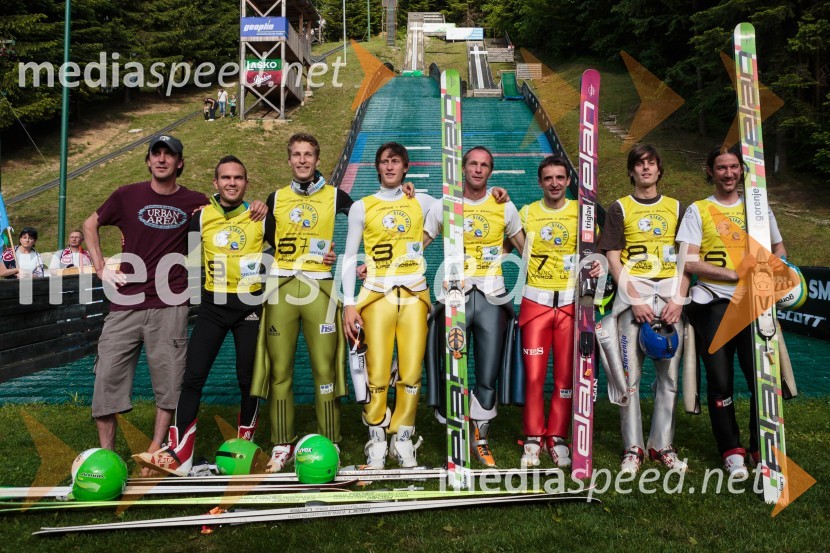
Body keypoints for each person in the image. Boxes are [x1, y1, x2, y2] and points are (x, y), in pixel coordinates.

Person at [83, 135, 265, 462]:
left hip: (171, 303)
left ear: (180, 162)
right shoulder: (126, 195)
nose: (163, 159)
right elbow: (89, 224)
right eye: (157, 154)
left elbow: (229, 210)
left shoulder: (196, 204)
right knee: (106, 377)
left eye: (170, 155)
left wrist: (259, 205)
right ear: (149, 160)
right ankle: (105, 455)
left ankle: (157, 451)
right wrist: (99, 267)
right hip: (126, 302)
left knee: (170, 384)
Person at [136, 156, 265, 475]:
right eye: (225, 178)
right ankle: (180, 453)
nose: (232, 183)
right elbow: (179, 252)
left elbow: (288, 251)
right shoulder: (202, 217)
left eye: (238, 177)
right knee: (192, 377)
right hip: (213, 309)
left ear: (246, 183)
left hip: (250, 308)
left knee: (248, 379)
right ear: (215, 183)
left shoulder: (261, 216)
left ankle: (244, 445)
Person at [677, 144, 786, 478]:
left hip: (754, 304)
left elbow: (778, 247)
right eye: (721, 168)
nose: (728, 173)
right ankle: (731, 451)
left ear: (742, 171)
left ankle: (760, 446)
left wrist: (774, 268)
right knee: (721, 381)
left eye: (734, 167)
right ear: (711, 171)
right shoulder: (698, 210)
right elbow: (689, 260)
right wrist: (735, 274)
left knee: (763, 379)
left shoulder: (758, 207)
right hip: (712, 302)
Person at [250, 133, 352, 473]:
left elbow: (368, 220)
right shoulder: (275, 198)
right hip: (281, 288)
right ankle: (282, 444)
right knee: (280, 372)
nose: (303, 160)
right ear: (289, 160)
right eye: (296, 155)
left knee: (324, 370)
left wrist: (409, 192)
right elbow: (260, 238)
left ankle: (331, 441)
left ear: (318, 159)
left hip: (319, 289)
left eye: (308, 154)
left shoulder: (336, 195)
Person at [423, 146, 524, 467]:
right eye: (473, 164)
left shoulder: (504, 207)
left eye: (484, 166)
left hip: (492, 296)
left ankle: (481, 437)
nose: (478, 170)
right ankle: (456, 429)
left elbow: (528, 249)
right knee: (451, 368)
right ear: (463, 169)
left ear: (490, 172)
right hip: (454, 297)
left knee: (487, 372)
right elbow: (415, 246)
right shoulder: (445, 206)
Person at [342, 142, 436, 469]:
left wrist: (498, 195)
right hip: (377, 293)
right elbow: (351, 255)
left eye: (396, 162)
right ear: (378, 168)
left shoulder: (421, 200)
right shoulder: (362, 206)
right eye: (384, 162)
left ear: (406, 167)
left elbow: (457, 212)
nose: (390, 167)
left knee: (411, 371)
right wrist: (348, 303)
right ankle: (377, 437)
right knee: (377, 371)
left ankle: (404, 437)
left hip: (414, 294)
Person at [597, 144, 689, 474]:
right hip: (632, 299)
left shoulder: (679, 207)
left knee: (669, 378)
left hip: (668, 299)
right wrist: (634, 298)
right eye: (639, 164)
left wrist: (679, 298)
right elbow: (612, 257)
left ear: (659, 170)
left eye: (651, 163)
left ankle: (661, 445)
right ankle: (633, 448)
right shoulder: (619, 207)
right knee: (628, 378)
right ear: (632, 171)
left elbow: (687, 259)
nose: (646, 169)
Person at [517, 156, 603, 468]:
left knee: (566, 377)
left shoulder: (583, 214)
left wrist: (595, 265)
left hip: (570, 305)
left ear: (569, 181)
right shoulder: (526, 213)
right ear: (540, 182)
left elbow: (595, 254)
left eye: (560, 178)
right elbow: (507, 242)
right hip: (536, 303)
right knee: (535, 376)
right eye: (548, 178)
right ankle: (532, 436)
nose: (554, 183)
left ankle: (557, 436)